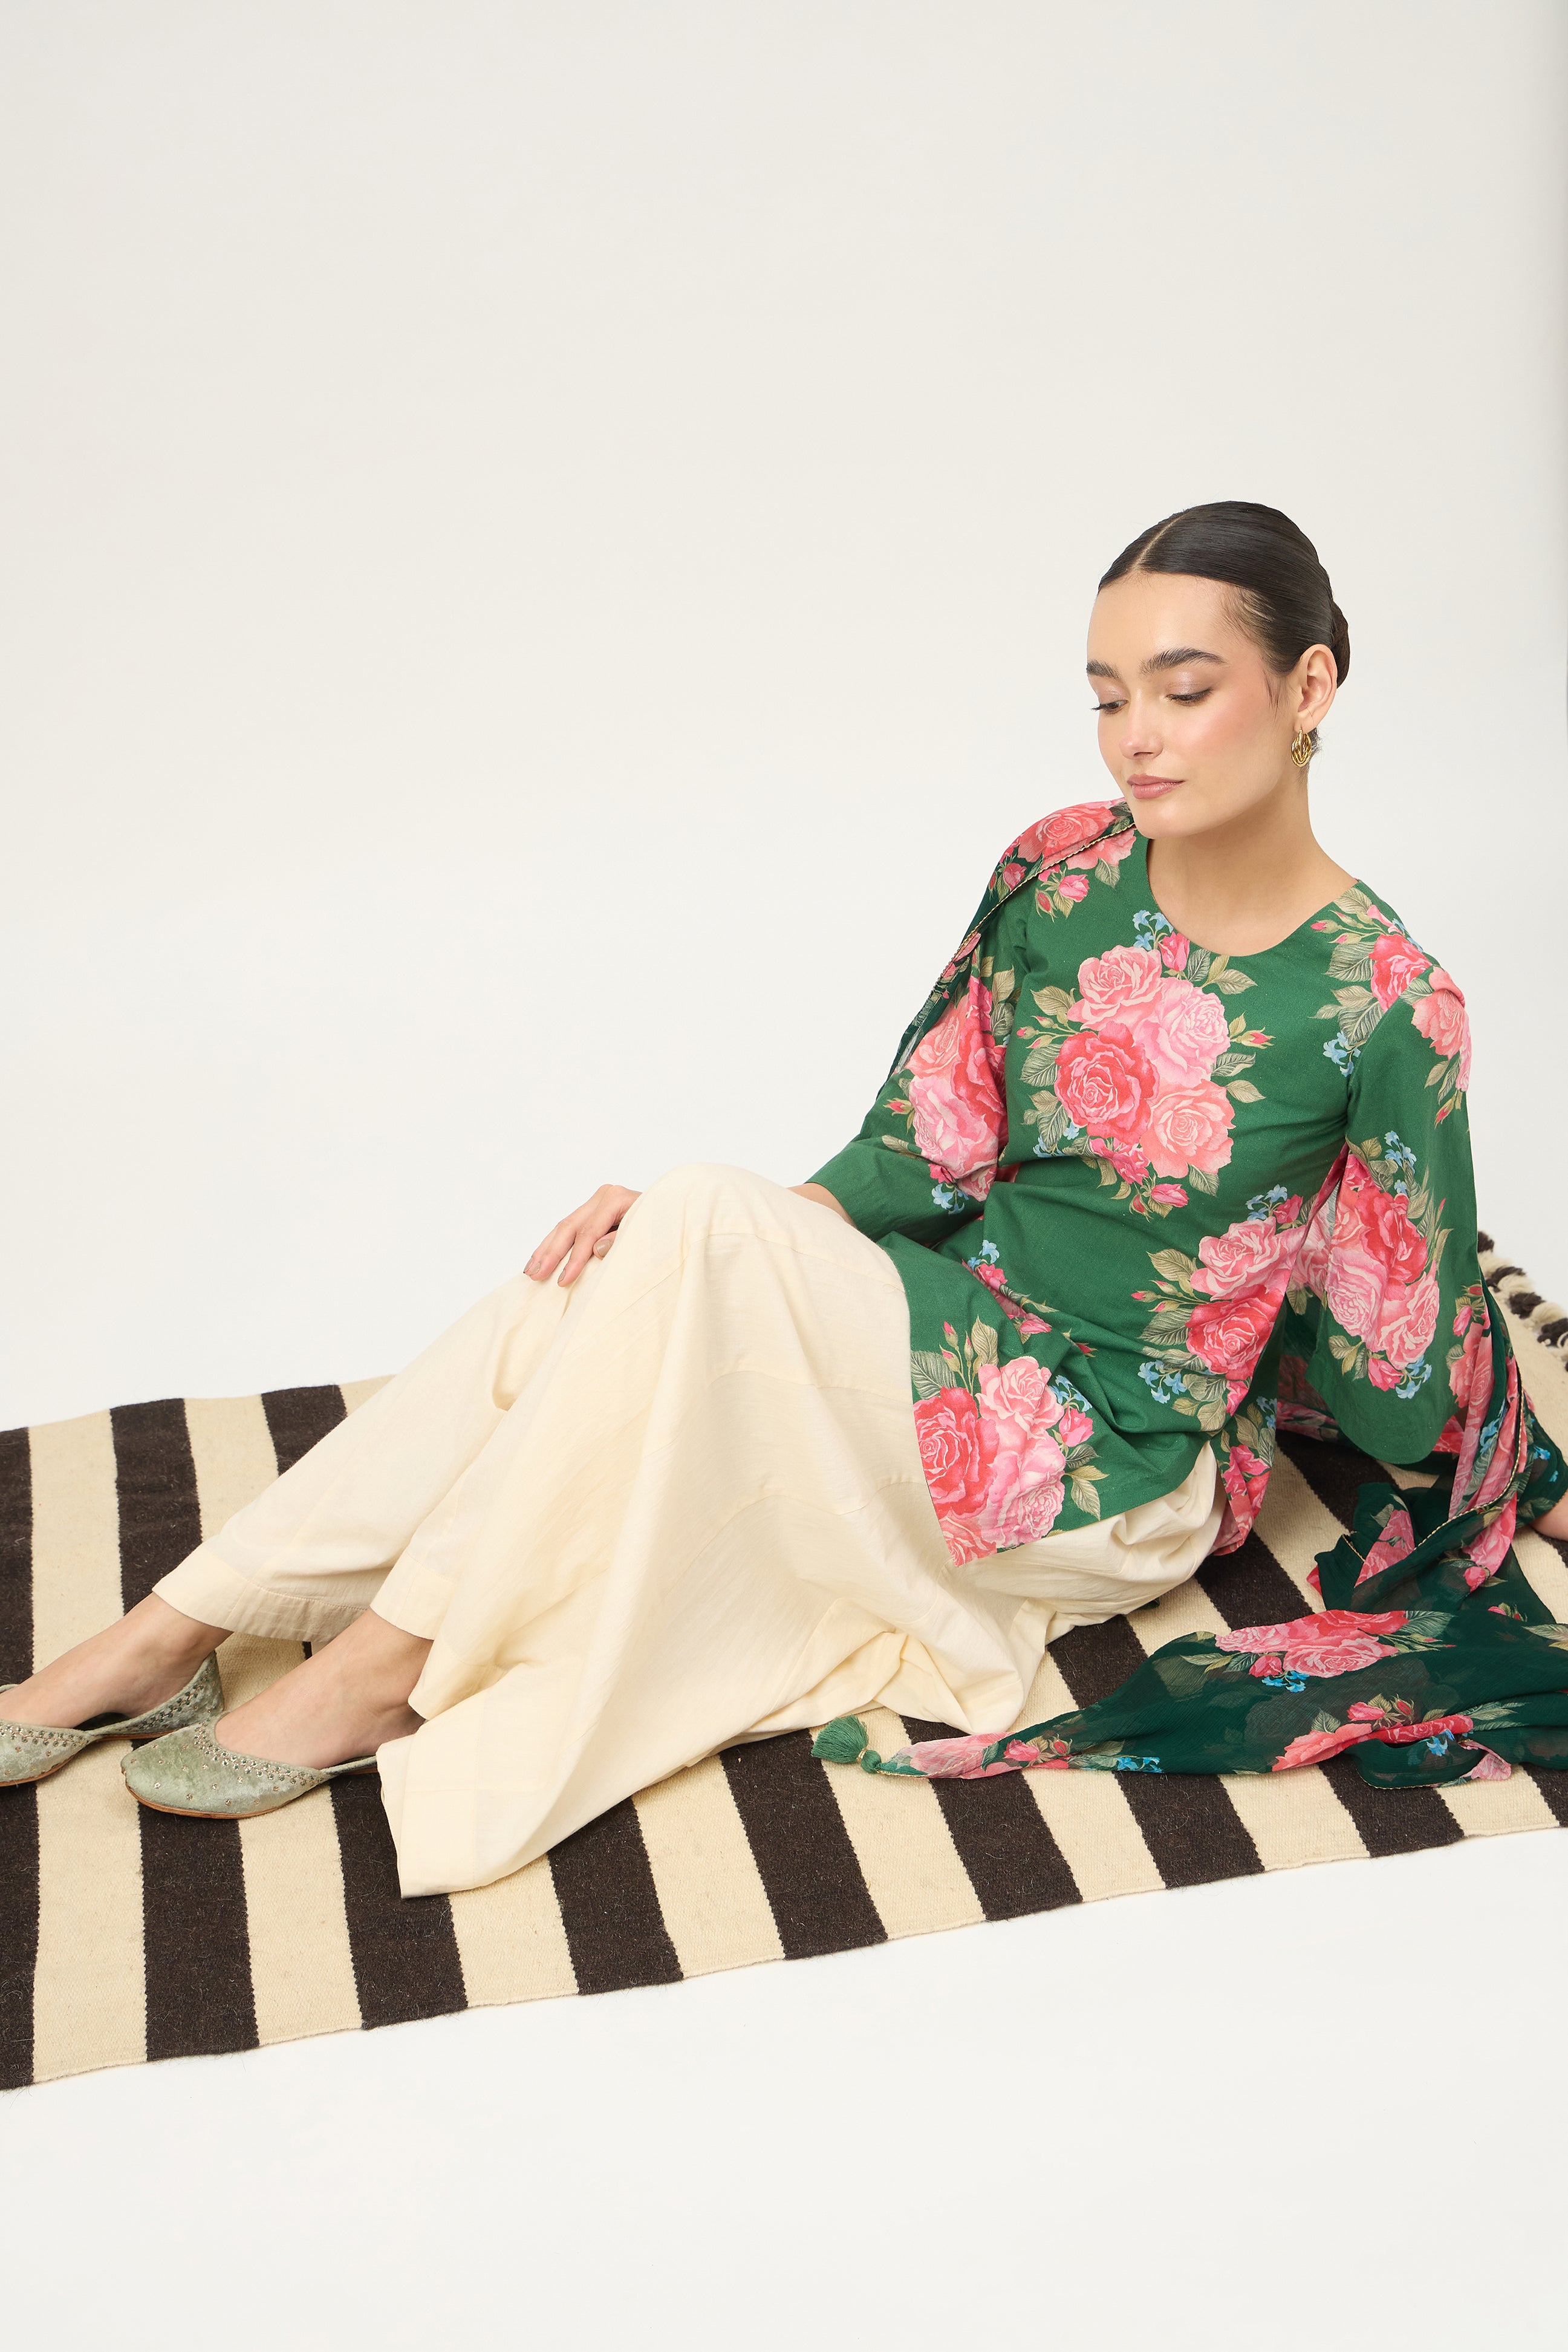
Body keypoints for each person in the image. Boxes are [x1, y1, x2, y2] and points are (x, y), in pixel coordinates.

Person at [5, 501, 1566, 1889]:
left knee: (690, 1223)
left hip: (1108, 1462)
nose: (1134, 739)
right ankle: (171, 1631)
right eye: (1106, 697)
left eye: (1184, 688)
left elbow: (1399, 1350)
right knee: (604, 1281)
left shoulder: (1388, 1002)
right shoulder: (1061, 865)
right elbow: (921, 1144)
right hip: (946, 1338)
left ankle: (373, 1667)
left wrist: (1499, 1444)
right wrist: (698, 1264)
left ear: (1308, 687)